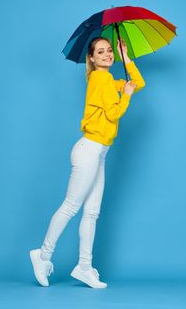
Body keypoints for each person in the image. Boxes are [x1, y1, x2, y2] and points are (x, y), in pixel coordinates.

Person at [30, 37, 146, 289]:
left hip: (99, 151)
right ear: (91, 58)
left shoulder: (105, 79)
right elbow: (114, 112)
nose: (106, 54)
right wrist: (125, 95)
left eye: (109, 51)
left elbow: (138, 83)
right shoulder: (100, 79)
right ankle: (43, 255)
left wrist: (126, 57)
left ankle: (84, 267)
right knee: (72, 206)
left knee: (91, 212)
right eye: (100, 52)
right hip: (89, 150)